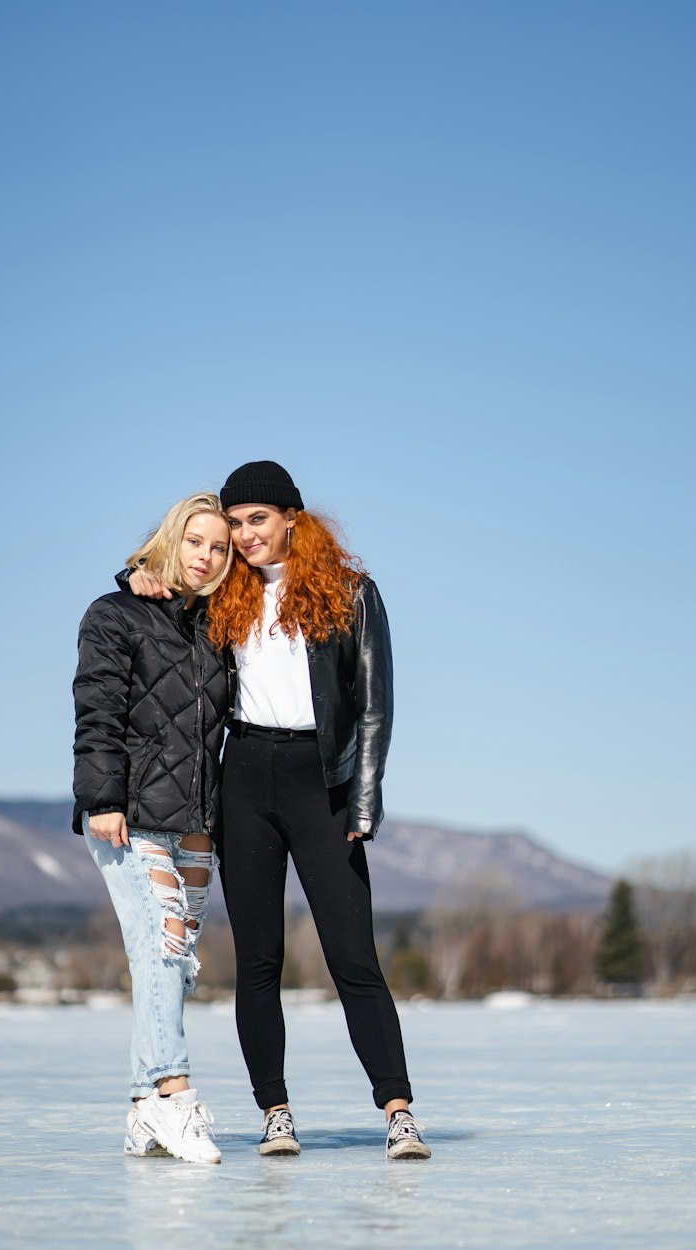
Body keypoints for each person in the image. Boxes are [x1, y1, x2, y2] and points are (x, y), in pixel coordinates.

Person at [129, 461, 430, 1161]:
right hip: (246, 782)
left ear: (291, 517)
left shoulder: (350, 594)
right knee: (258, 962)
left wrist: (365, 797)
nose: (243, 535)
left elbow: (375, 705)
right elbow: (151, 588)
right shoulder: (221, 595)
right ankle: (275, 1112)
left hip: (321, 784)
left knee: (354, 957)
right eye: (234, 524)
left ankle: (399, 1111)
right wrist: (136, 575)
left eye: (256, 519)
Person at [73, 492, 233, 1164]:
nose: (207, 556)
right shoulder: (115, 614)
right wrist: (102, 797)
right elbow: (98, 710)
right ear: (172, 540)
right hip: (129, 816)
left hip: (196, 821)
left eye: (220, 547)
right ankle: (175, 1095)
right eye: (195, 541)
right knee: (164, 951)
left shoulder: (223, 626)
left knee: (172, 965)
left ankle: (143, 1109)